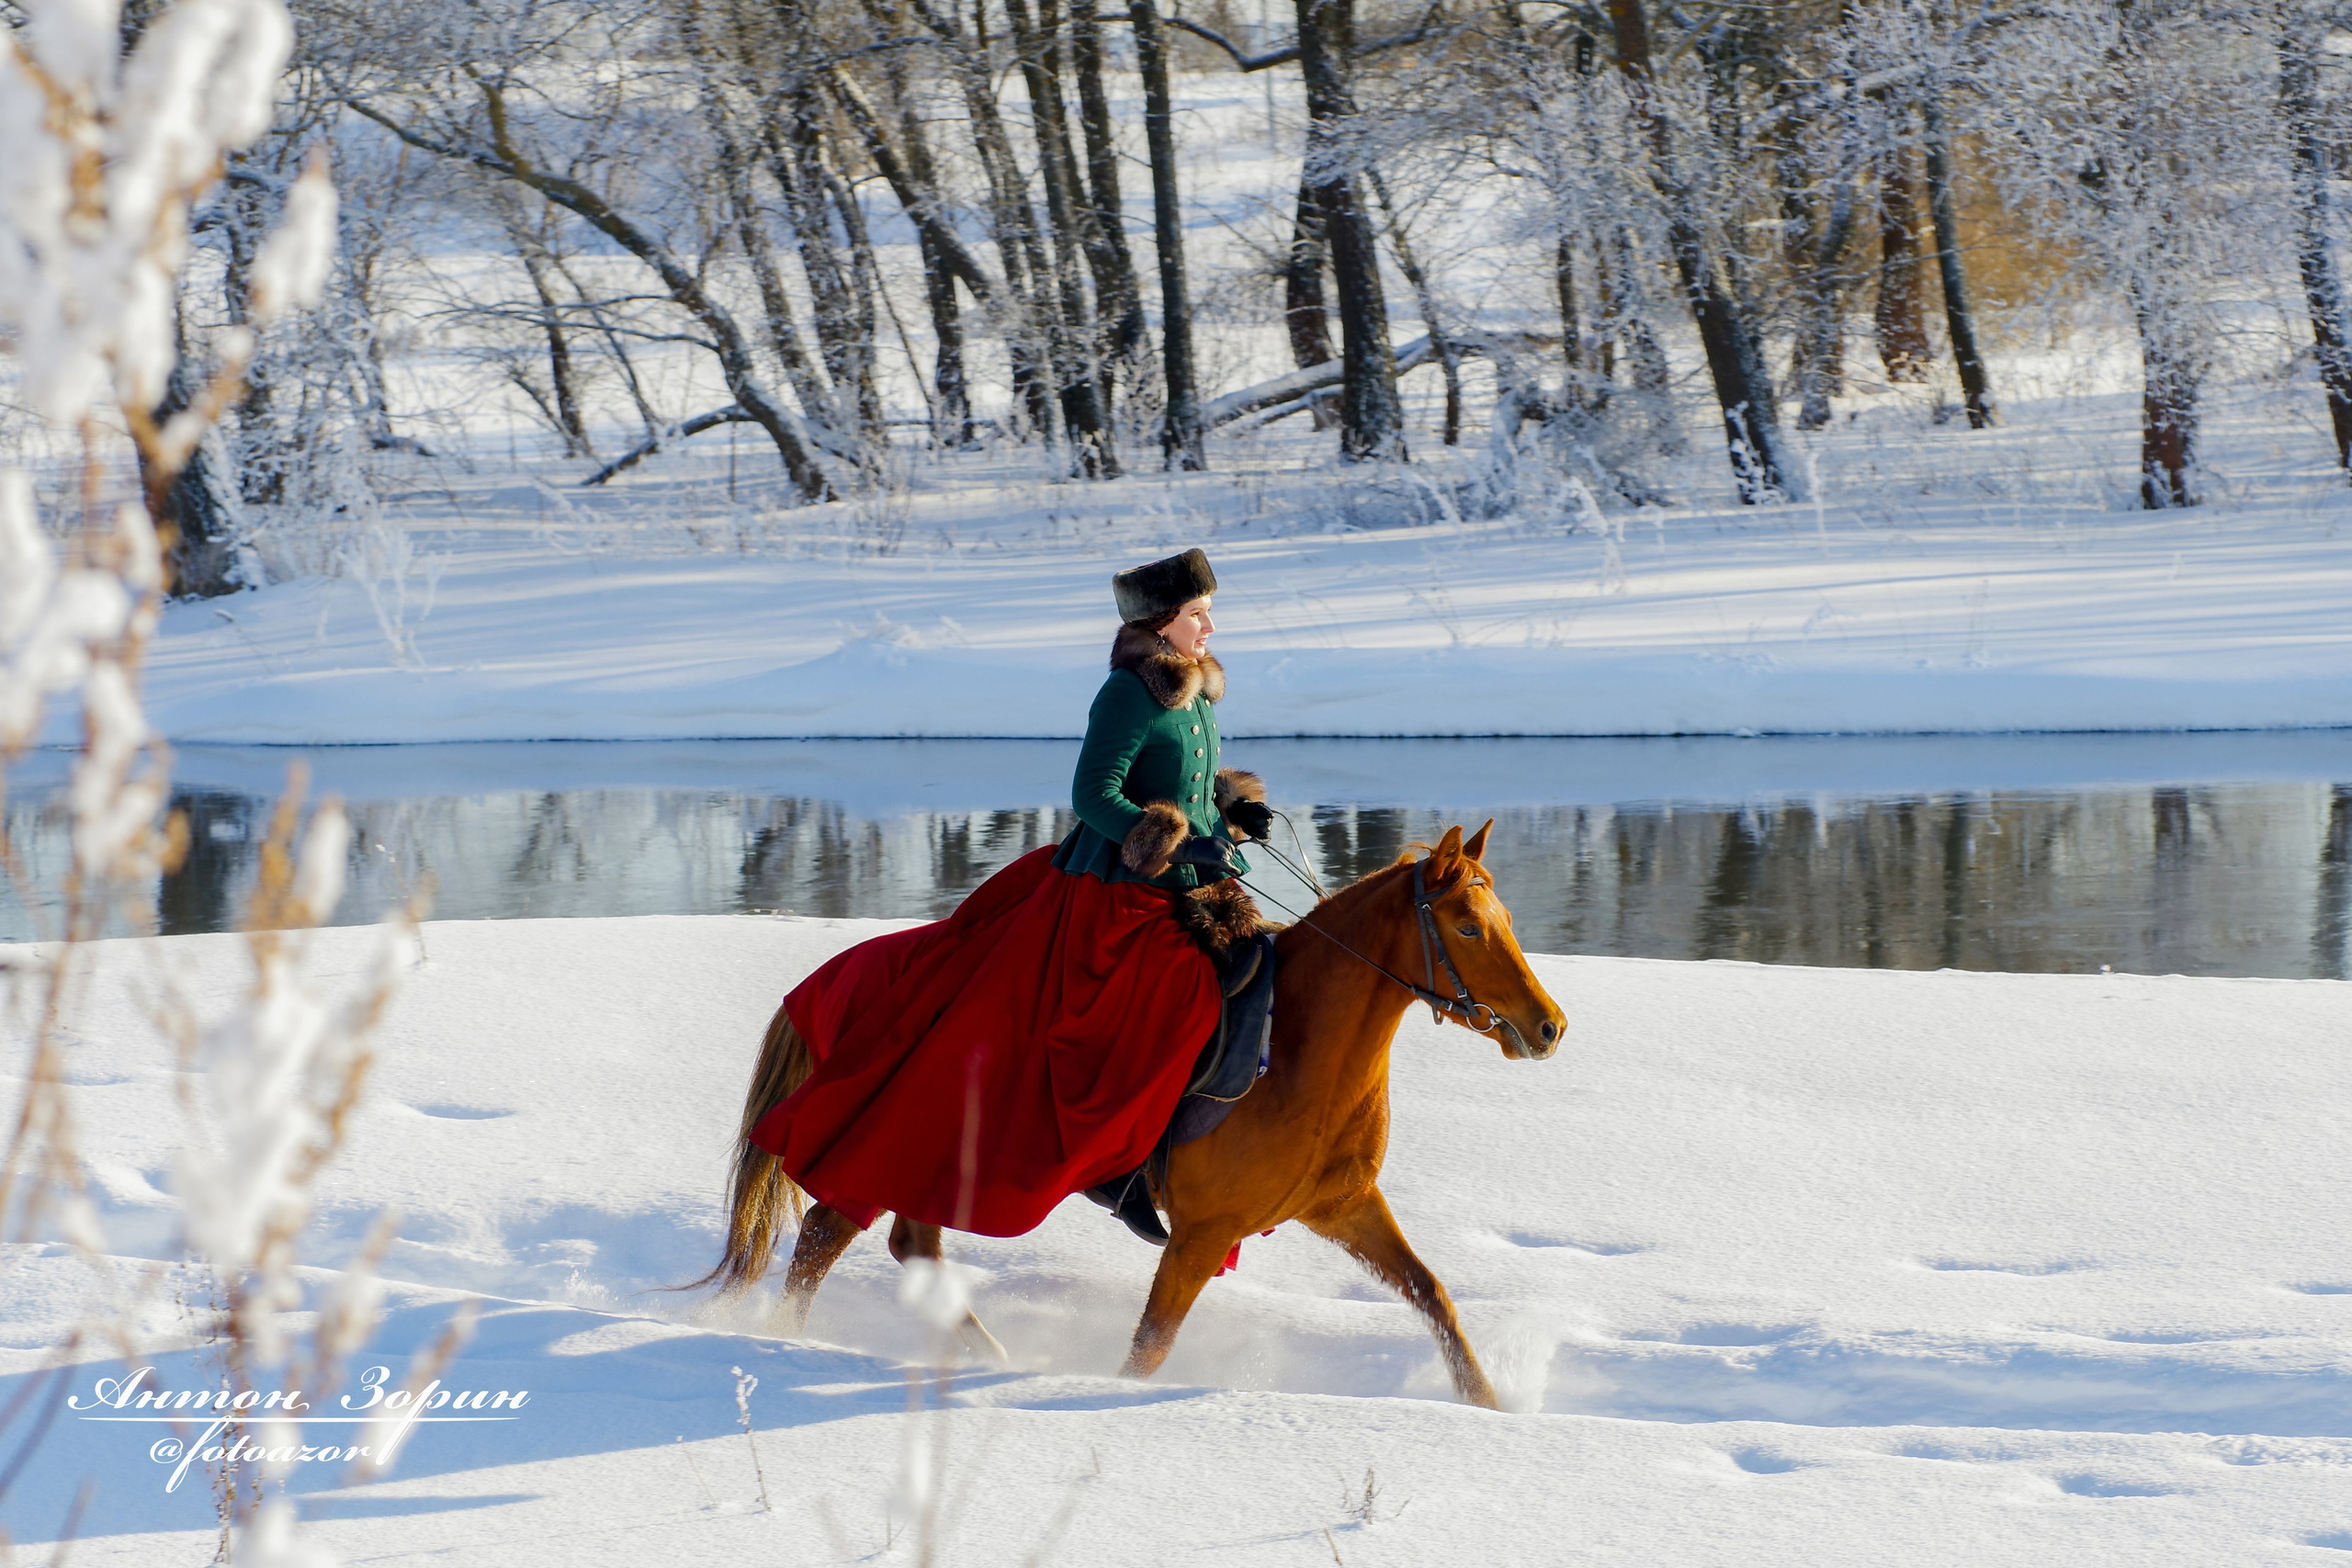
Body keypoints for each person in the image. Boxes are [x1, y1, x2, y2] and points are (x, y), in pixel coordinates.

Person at [750, 548, 1276, 1247]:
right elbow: (1095, 796)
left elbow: (1191, 781)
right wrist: (1171, 842)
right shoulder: (1128, 692)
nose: (1210, 626)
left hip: (1196, 886)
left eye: (1209, 612)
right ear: (1162, 622)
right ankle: (1120, 1170)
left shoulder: (1199, 693)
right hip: (1115, 892)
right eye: (1197, 613)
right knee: (1173, 998)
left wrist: (1233, 810)